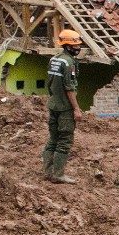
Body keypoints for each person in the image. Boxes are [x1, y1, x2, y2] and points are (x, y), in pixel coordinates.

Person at [41, 28, 82, 184]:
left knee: (53, 139)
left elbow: (50, 83)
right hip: (65, 108)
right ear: (68, 46)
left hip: (53, 104)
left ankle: (47, 172)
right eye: (76, 46)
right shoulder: (68, 62)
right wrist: (76, 109)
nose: (78, 48)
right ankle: (58, 175)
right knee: (64, 141)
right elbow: (69, 87)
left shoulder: (54, 60)